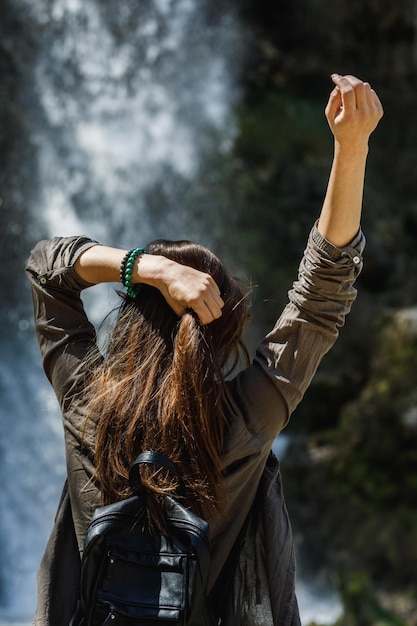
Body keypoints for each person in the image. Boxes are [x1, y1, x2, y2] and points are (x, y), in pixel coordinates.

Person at [26, 74, 383, 626]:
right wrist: (352, 147)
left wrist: (146, 267)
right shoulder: (243, 421)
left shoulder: (86, 402)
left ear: (129, 314)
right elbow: (320, 300)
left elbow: (46, 268)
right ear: (224, 331)